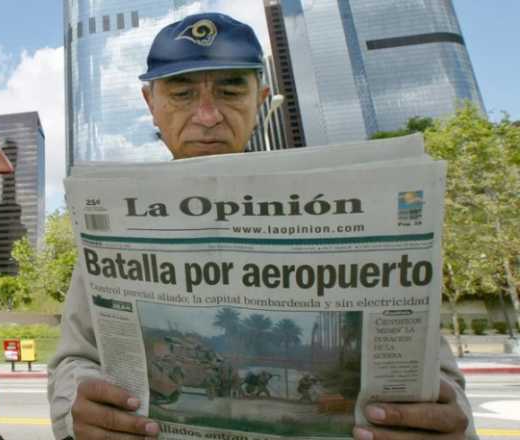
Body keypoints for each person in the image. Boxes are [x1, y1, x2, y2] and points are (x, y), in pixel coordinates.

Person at [47, 12, 476, 440]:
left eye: (231, 90)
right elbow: (74, 359)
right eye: (182, 93)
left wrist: (442, 424)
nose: (208, 115)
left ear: (261, 98)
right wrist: (78, 407)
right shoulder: (118, 222)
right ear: (150, 104)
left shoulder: (349, 201)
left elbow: (440, 384)